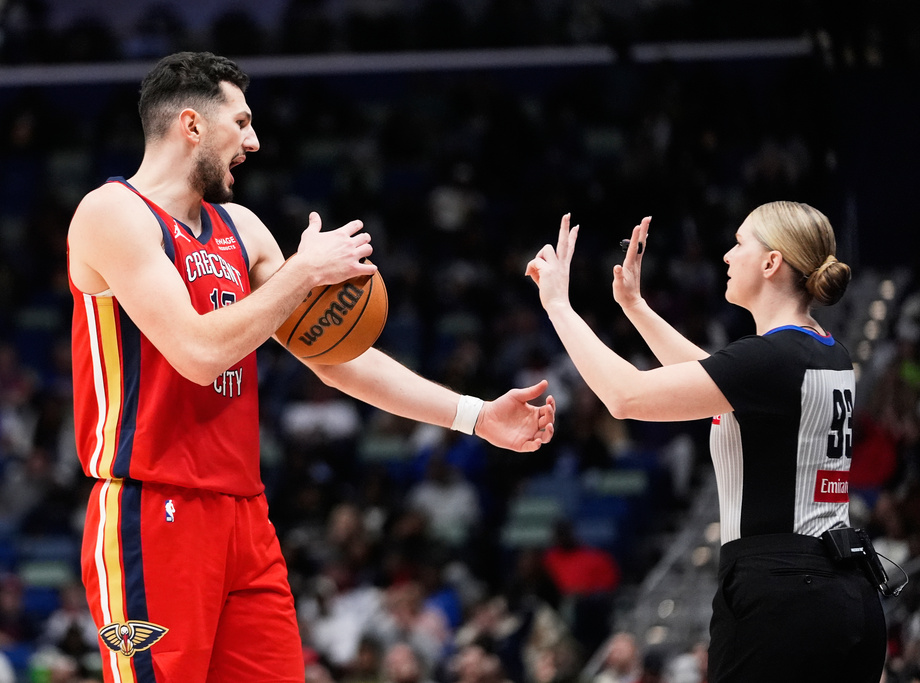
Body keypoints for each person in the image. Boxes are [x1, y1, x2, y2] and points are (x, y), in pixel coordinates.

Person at [66, 51, 555, 683]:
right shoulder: (112, 214)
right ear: (191, 125)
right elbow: (197, 352)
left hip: (244, 513)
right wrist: (302, 272)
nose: (254, 140)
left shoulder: (241, 228)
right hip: (151, 509)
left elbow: (339, 363)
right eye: (240, 123)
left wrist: (475, 415)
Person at [525, 202, 886, 682]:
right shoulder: (824, 349)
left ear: (771, 262)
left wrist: (557, 305)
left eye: (740, 244)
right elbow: (717, 384)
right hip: (844, 592)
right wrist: (635, 307)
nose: (727, 256)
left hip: (780, 597)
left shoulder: (770, 358)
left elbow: (624, 396)